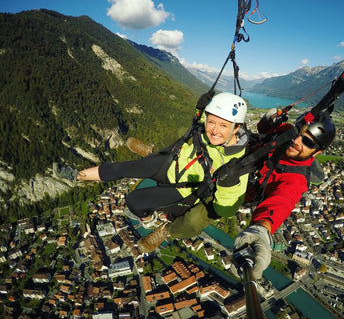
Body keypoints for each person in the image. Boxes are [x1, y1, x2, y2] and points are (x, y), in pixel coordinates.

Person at [76, 92, 250, 253]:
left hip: (187, 189)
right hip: (172, 164)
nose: (214, 130)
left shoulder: (238, 165)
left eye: (223, 125)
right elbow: (197, 125)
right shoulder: (207, 133)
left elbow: (225, 210)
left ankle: (164, 229)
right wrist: (76, 176)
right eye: (211, 122)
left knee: (134, 202)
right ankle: (152, 152)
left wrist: (228, 184)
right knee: (132, 163)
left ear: (236, 128)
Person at [233, 109, 336, 279]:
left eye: (308, 142)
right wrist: (269, 121)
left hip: (239, 186)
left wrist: (260, 230)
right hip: (241, 157)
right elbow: (266, 131)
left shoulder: (295, 179)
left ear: (317, 152)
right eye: (297, 132)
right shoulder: (286, 132)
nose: (295, 141)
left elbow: (281, 202)